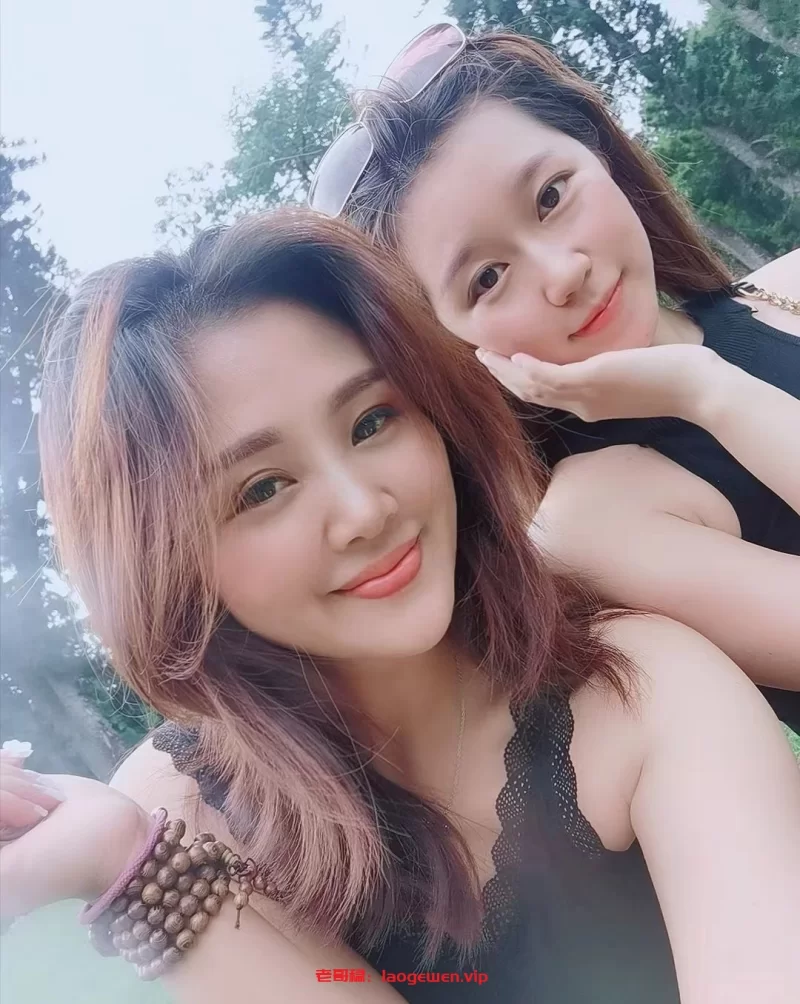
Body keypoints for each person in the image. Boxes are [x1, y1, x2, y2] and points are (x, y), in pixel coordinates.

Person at [1, 210, 799, 1004]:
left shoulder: (644, 689)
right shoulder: (182, 811)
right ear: (169, 562)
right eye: (263, 489)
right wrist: (122, 858)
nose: (365, 511)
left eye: (372, 421)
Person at [313, 23, 800, 731]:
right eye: (486, 278)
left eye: (550, 197)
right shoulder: (593, 521)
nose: (563, 273)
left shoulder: (781, 289)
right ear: (450, 347)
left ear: (600, 153)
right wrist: (707, 392)